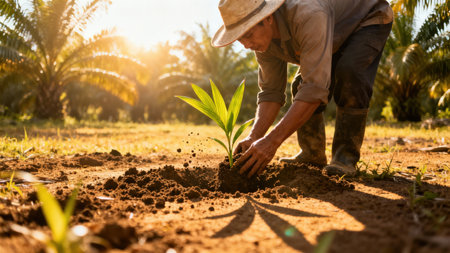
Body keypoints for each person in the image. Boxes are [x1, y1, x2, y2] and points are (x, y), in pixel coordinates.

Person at [211, 0, 393, 178]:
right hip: (332, 29)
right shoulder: (262, 44)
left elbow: (314, 89)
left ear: (267, 18)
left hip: (368, 18)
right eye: (240, 38)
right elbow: (271, 93)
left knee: (349, 72)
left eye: (249, 34)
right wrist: (254, 137)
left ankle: (345, 157)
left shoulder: (308, 15)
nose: (247, 45)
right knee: (300, 86)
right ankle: (312, 154)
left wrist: (271, 142)